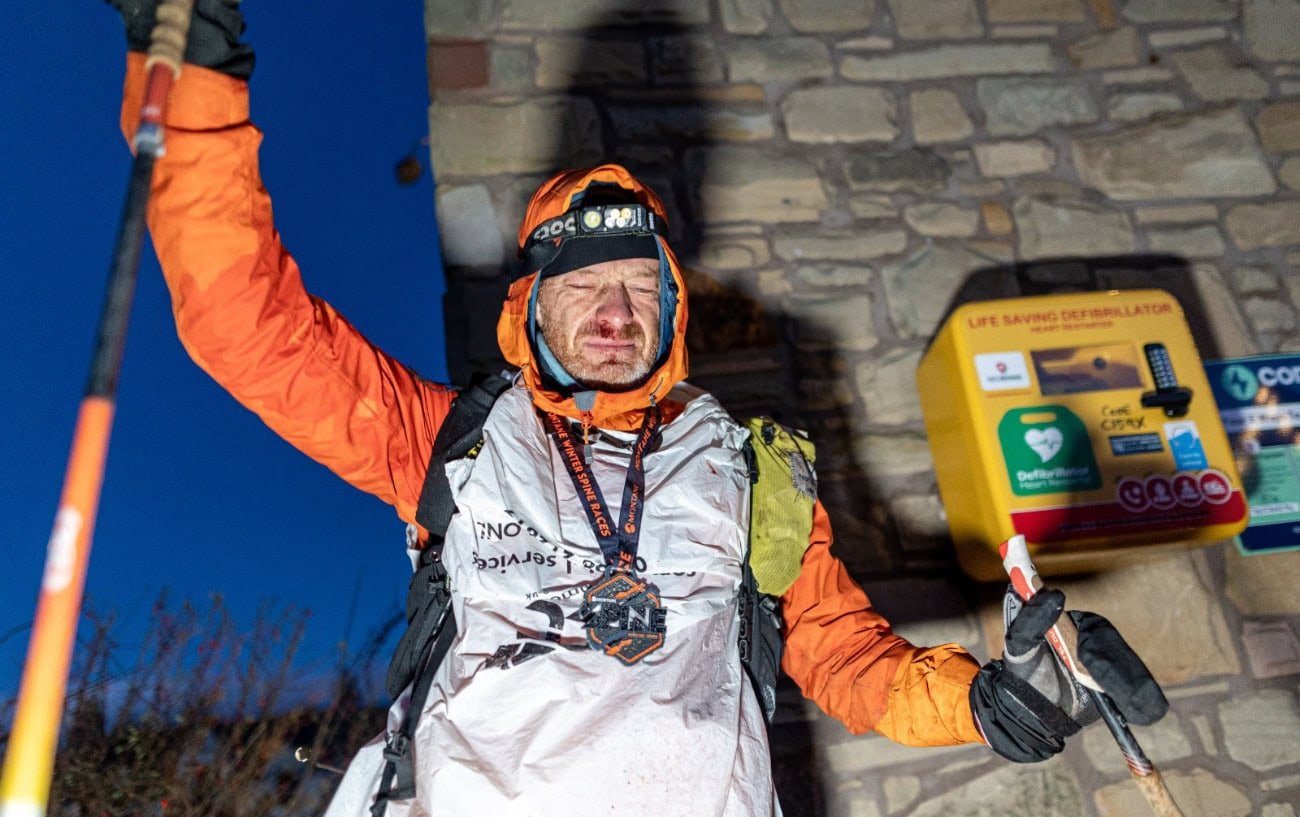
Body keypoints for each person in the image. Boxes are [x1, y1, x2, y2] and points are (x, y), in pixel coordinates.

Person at [107, 2, 1169, 815]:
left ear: (672, 309)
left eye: (639, 287)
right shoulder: (450, 440)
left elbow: (844, 654)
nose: (615, 310)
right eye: (584, 286)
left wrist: (989, 700)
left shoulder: (746, 468)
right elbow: (247, 326)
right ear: (531, 307)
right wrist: (196, 80)